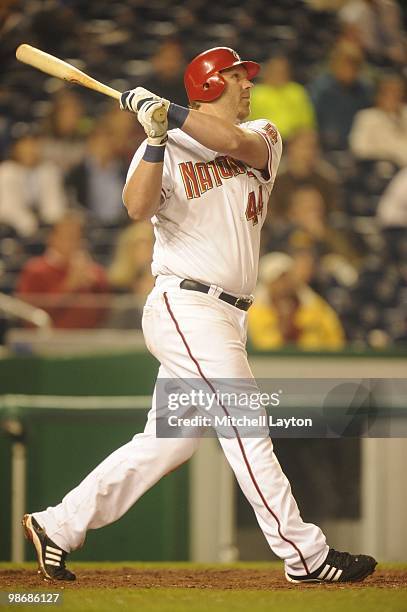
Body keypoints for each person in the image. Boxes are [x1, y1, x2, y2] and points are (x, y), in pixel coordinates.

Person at [22, 47, 376, 584]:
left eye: (246, 76)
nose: (247, 84)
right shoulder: (160, 142)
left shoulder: (264, 134)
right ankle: (305, 555)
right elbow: (137, 208)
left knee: (169, 441)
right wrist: (158, 138)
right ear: (210, 84)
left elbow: (234, 144)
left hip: (227, 315)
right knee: (246, 425)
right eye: (236, 76)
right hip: (185, 304)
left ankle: (59, 524)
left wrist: (167, 111)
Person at [16, 212, 109, 329]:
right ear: (52, 238)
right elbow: (28, 314)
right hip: (48, 341)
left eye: (78, 236)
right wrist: (69, 286)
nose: (74, 242)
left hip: (89, 339)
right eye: (68, 236)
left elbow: (106, 310)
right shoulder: (35, 270)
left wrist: (94, 283)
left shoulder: (94, 271)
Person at [248, 252, 345, 351]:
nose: (283, 285)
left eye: (287, 278)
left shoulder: (315, 306)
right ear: (268, 283)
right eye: (277, 280)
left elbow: (335, 339)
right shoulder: (253, 310)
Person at [0, 131, 67, 237]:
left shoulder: (49, 170)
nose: (29, 150)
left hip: (44, 227)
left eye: (33, 144)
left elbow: (54, 203)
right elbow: (8, 208)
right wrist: (31, 226)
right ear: (15, 148)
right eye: (24, 145)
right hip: (13, 228)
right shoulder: (6, 171)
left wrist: (51, 225)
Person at [308, 42, 372, 150]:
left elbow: (368, 120)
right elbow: (312, 119)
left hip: (357, 143)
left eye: (354, 66)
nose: (349, 71)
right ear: (334, 65)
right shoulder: (321, 88)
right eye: (345, 64)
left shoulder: (364, 90)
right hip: (326, 144)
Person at [249, 55, 316, 140]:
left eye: (282, 71)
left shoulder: (297, 91)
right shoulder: (256, 94)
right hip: (265, 139)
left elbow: (307, 123)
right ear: (267, 72)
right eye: (275, 71)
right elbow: (251, 124)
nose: (279, 75)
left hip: (295, 140)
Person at [349, 74, 407, 166]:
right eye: (388, 92)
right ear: (378, 95)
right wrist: (390, 156)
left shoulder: (405, 113)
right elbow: (359, 149)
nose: (394, 97)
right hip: (385, 167)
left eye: (398, 92)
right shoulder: (367, 117)